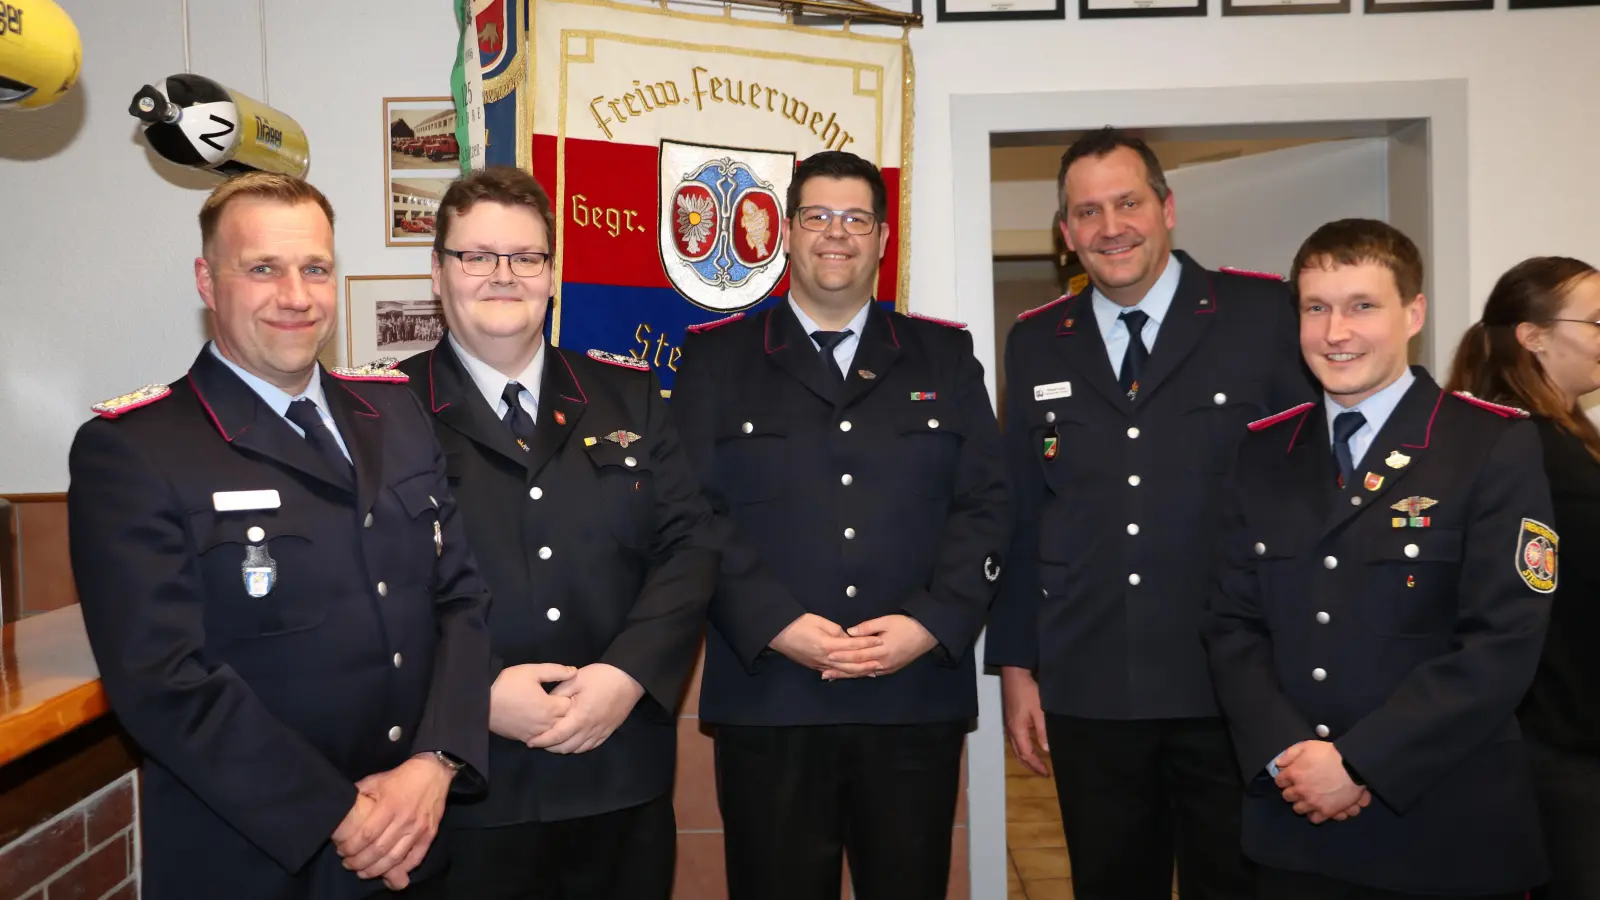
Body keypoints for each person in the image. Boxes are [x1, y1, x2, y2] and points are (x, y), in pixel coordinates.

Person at [65, 172, 491, 899]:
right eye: (262, 268)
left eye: (315, 269)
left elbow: (462, 599)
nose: (295, 296)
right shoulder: (137, 449)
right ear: (208, 280)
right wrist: (343, 815)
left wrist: (437, 761)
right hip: (257, 860)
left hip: (419, 843)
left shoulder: (397, 413)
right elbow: (164, 683)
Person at [670, 150, 1011, 900]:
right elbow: (690, 513)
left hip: (913, 696)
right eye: (818, 216)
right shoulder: (717, 361)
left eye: (857, 218)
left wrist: (930, 622)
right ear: (787, 233)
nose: (837, 234)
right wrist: (775, 623)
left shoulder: (944, 356)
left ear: (883, 238)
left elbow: (988, 504)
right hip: (771, 698)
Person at [986, 126, 1311, 900]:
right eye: (1087, 212)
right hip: (1090, 683)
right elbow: (1024, 512)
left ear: (1167, 207)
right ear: (1065, 234)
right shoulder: (1036, 342)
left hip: (1229, 682)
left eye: (1127, 202)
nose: (1110, 227)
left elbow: (1309, 494)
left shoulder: (1264, 314)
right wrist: (1016, 665)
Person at [1203, 218, 1554, 899]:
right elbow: (1229, 624)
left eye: (1362, 305)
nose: (1336, 333)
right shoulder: (1262, 454)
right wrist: (1290, 755)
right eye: (1316, 308)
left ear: (1413, 313)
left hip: (1443, 833)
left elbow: (1502, 643)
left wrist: (1360, 763)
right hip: (1295, 828)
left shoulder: (1489, 444)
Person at [395, 166, 718, 900]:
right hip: (463, 783)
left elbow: (690, 546)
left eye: (525, 257)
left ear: (552, 276)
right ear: (438, 274)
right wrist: (472, 696)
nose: (502, 275)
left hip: (617, 771)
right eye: (476, 256)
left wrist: (626, 674)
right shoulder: (381, 413)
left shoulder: (627, 393)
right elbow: (369, 590)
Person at [1445, 256, 1600, 900]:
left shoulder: (1553, 435)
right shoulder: (1530, 446)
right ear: (1533, 337)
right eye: (1596, 321)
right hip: (1555, 738)